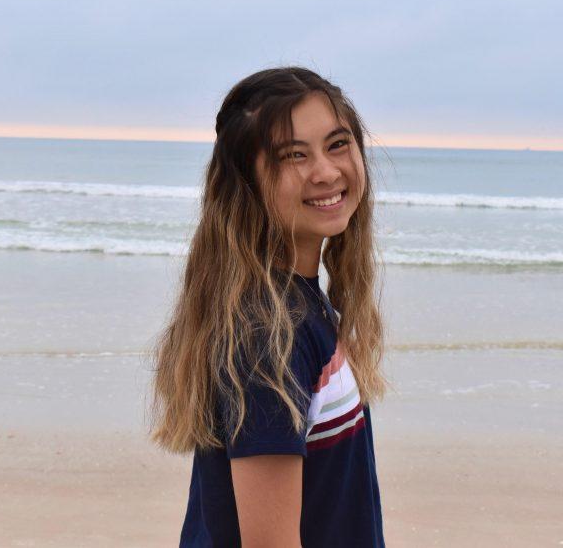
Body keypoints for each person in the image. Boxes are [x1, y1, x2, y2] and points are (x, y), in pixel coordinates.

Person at [148, 66, 387, 547]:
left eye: (337, 144)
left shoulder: (300, 304)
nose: (325, 171)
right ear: (247, 183)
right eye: (293, 155)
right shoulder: (269, 335)